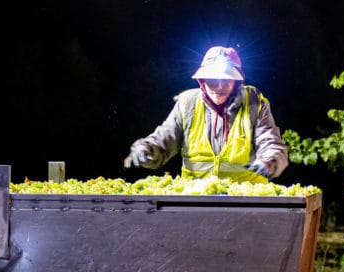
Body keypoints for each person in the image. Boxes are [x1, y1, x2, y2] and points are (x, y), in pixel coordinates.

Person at [123, 46, 288, 183]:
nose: (220, 87)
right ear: (202, 81)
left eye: (226, 80)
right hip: (195, 201)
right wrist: (147, 150)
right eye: (213, 80)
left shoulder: (254, 103)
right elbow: (163, 141)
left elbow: (270, 142)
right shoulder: (187, 103)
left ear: (237, 83)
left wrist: (270, 161)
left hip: (246, 201)